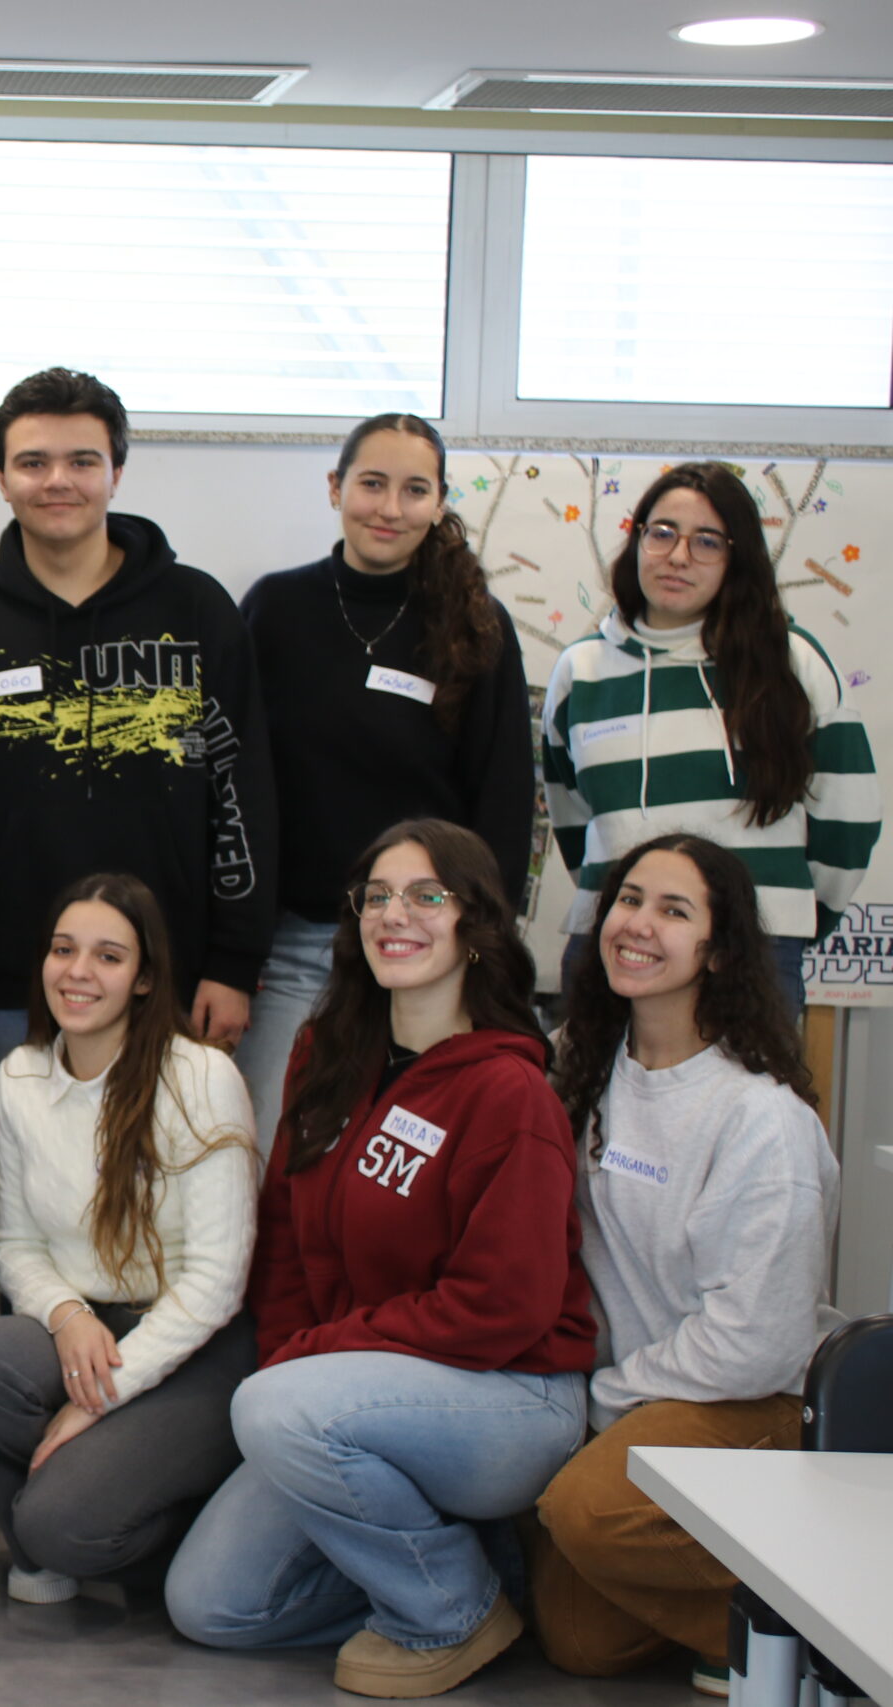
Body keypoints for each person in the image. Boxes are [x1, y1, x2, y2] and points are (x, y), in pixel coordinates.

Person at [165, 819, 595, 1698]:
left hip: (510, 1395)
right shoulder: (327, 1053)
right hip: (352, 1394)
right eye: (378, 896)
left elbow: (501, 1307)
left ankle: (451, 1607)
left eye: (427, 895)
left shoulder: (508, 1090)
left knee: (276, 1407)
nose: (395, 914)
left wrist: (312, 1364)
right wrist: (294, 1356)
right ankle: (479, 1563)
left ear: (476, 925)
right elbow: (285, 1234)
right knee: (211, 1605)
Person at [0, 367, 277, 1102]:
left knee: (174, 1171)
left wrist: (234, 961)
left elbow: (242, 792)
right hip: (10, 986)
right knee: (36, 1172)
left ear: (116, 473)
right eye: (33, 462)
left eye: (82, 460)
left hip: (170, 979)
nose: (58, 481)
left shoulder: (197, 609)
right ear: (1, 478)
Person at [529, 834, 842, 1691]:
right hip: (640, 1396)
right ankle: (738, 1607)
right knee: (578, 1639)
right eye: (629, 900)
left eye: (674, 910)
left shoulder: (760, 1118)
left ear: (721, 950)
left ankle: (818, 1628)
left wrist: (601, 1400)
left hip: (749, 1400)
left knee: (583, 1510)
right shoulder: (578, 1065)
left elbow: (755, 1345)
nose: (639, 924)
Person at [0, 874, 258, 1603]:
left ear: (144, 978)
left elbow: (217, 1282)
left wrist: (97, 1399)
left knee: (68, 1523)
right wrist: (68, 1315)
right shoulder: (21, 1075)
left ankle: (150, 1532)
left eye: (108, 956)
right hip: (90, 1328)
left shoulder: (201, 1076)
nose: (77, 972)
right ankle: (44, 1548)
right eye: (63, 949)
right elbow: (14, 1244)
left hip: (200, 1344)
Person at [236, 415, 532, 1156]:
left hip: (426, 943)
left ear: (440, 501)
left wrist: (479, 944)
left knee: (406, 1164)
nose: (390, 509)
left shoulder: (475, 623)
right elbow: (233, 778)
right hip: (297, 944)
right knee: (272, 1156)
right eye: (372, 484)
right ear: (335, 488)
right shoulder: (275, 608)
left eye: (414, 490)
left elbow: (502, 795)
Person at [542, 460, 880, 1014]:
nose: (678, 556)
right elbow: (572, 819)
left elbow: (848, 820)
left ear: (736, 558)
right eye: (662, 533)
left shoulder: (791, 661)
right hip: (617, 945)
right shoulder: (581, 669)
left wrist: (784, 913)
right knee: (594, 1075)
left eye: (706, 542)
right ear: (637, 540)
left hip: (753, 947)